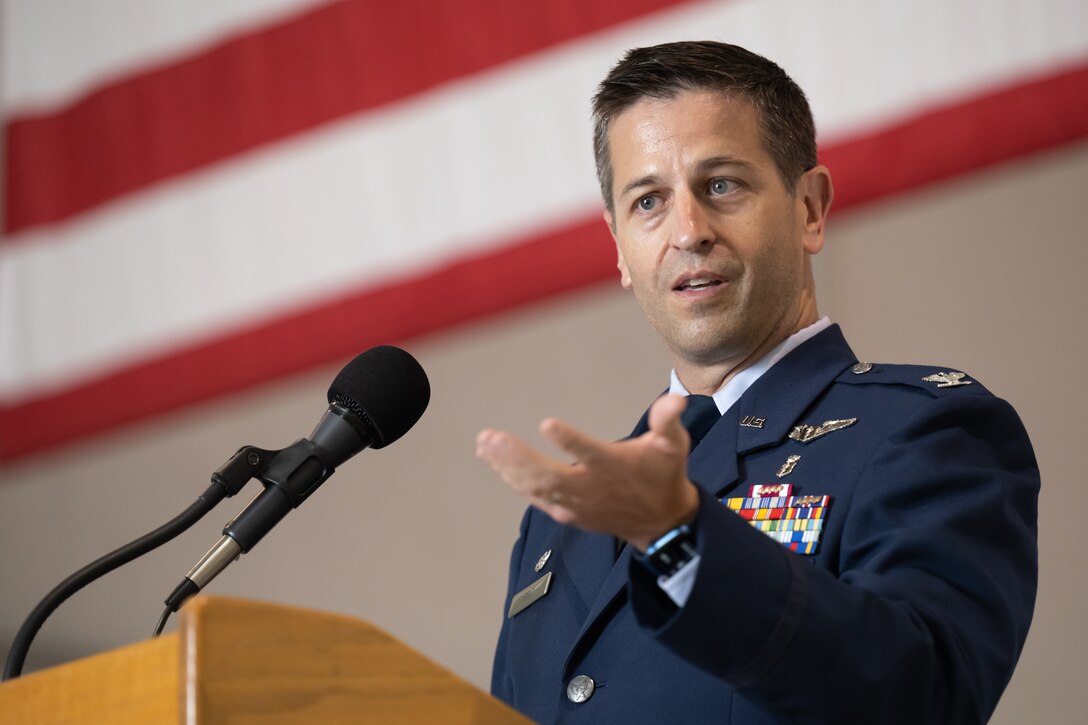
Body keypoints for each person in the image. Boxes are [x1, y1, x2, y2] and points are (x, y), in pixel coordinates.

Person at [476, 40, 1038, 724]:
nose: (688, 231)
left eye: (721, 185)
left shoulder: (924, 432)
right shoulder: (560, 519)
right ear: (619, 247)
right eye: (648, 200)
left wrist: (680, 539)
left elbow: (921, 697)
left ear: (810, 208)